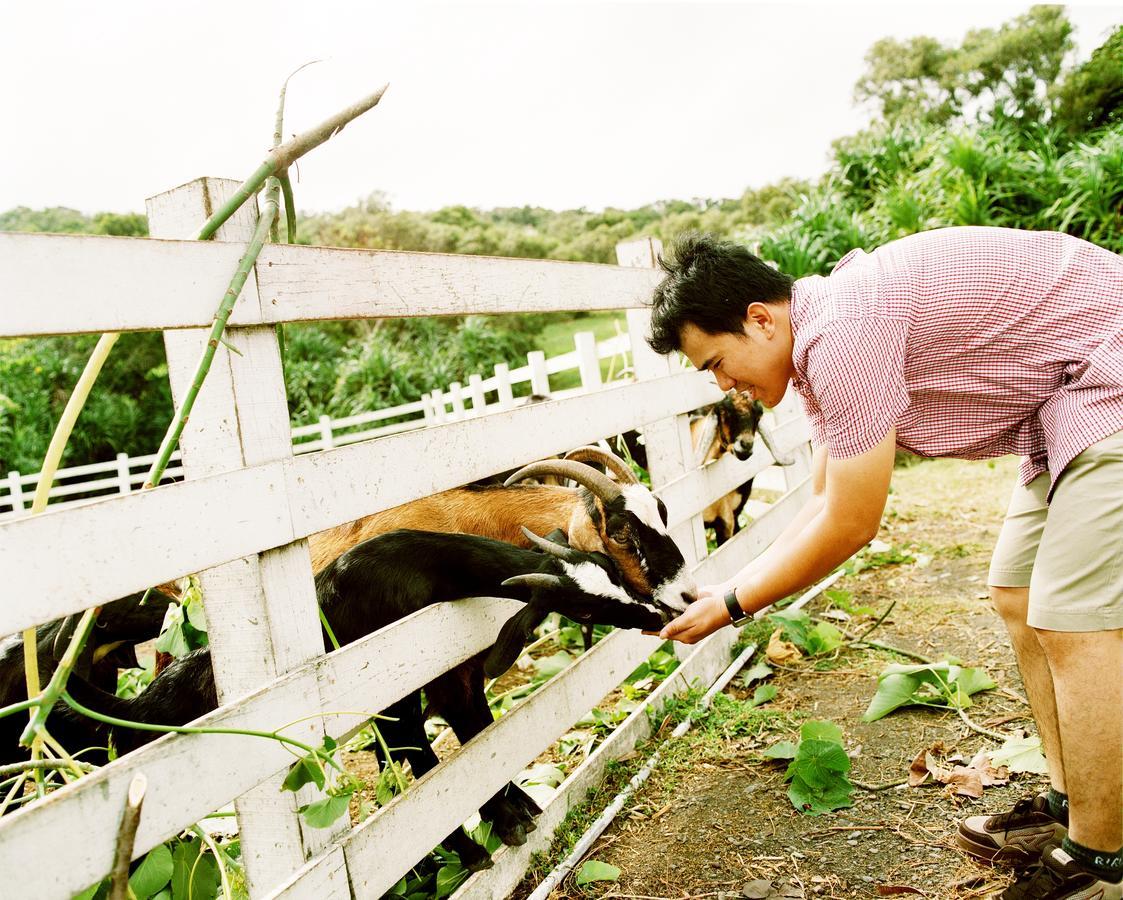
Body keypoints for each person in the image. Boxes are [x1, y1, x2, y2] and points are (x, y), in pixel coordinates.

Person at [646, 228, 1122, 899]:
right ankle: (1074, 803)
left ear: (759, 319)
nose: (725, 385)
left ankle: (1100, 863)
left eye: (717, 363)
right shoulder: (819, 340)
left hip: (1108, 373)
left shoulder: (842, 333)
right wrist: (728, 585)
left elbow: (850, 523)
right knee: (1015, 591)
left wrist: (732, 607)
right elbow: (821, 499)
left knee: (1075, 625)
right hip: (1064, 403)